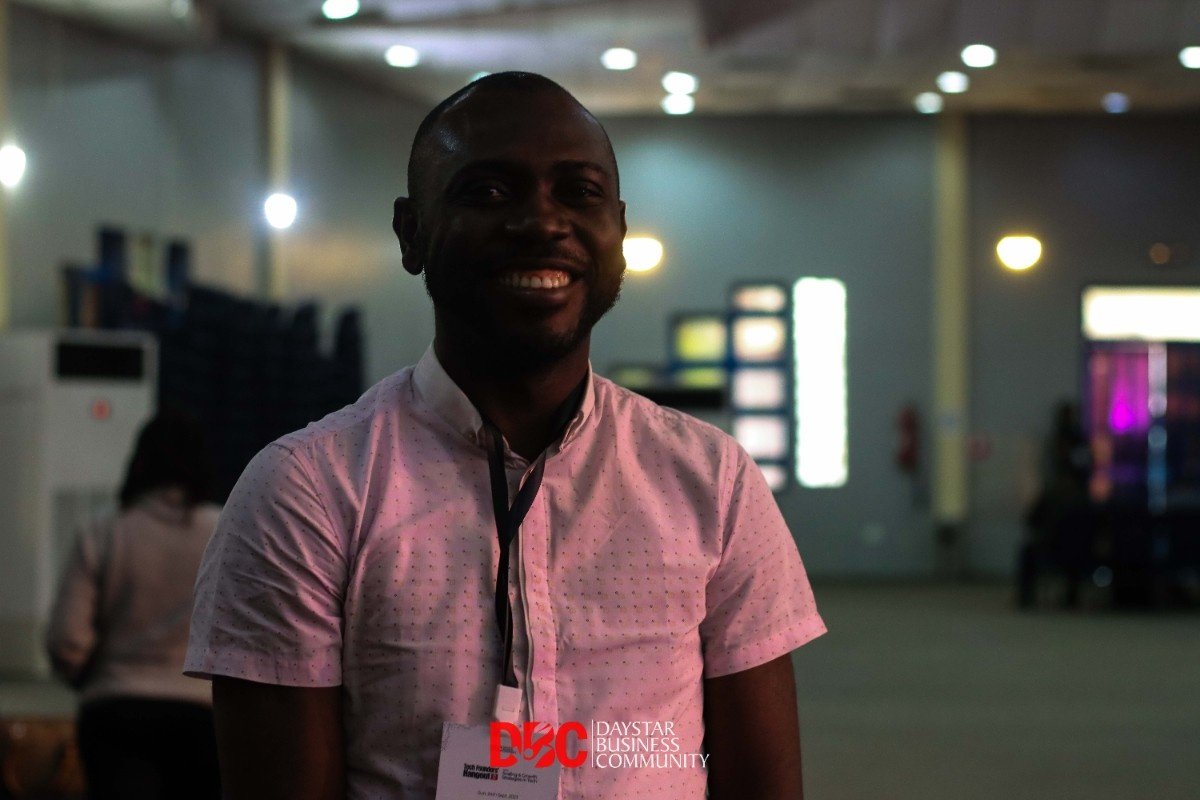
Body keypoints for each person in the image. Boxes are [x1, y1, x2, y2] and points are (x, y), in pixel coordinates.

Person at [185, 71, 826, 799]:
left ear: (618, 229)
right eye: (489, 192)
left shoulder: (713, 480)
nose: (542, 222)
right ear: (411, 232)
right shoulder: (309, 491)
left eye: (578, 192)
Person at [46, 411, 221, 800]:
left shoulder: (104, 530)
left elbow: (66, 639)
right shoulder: (222, 530)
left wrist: (87, 675)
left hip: (115, 711)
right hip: (201, 716)